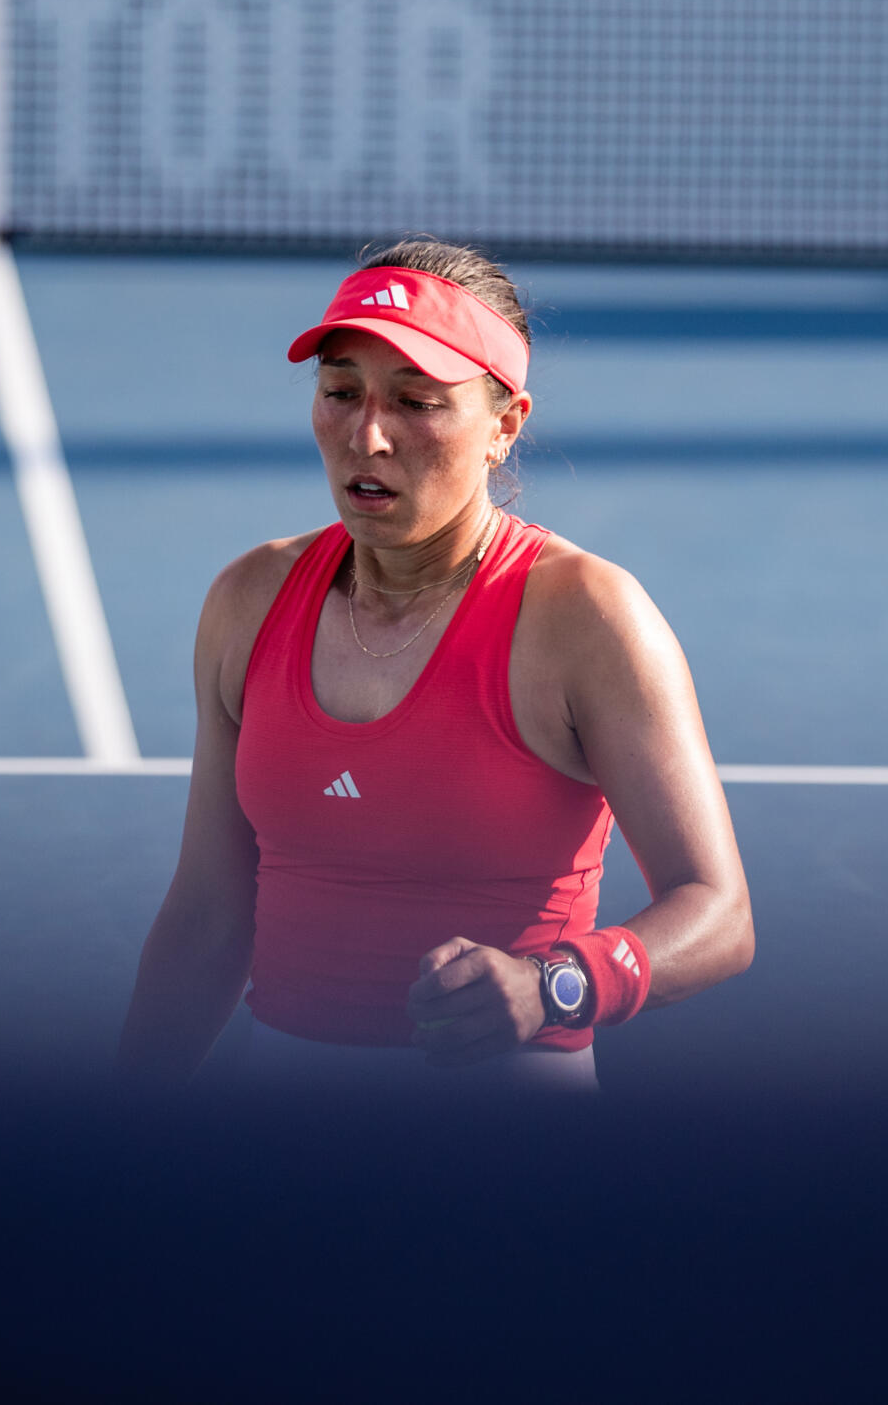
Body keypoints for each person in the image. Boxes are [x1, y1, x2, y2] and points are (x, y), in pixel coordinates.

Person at [115, 240, 752, 1095]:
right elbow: (206, 919)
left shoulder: (587, 619)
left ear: (504, 425)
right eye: (341, 393)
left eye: (415, 402)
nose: (367, 435)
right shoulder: (248, 601)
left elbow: (719, 911)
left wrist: (555, 984)